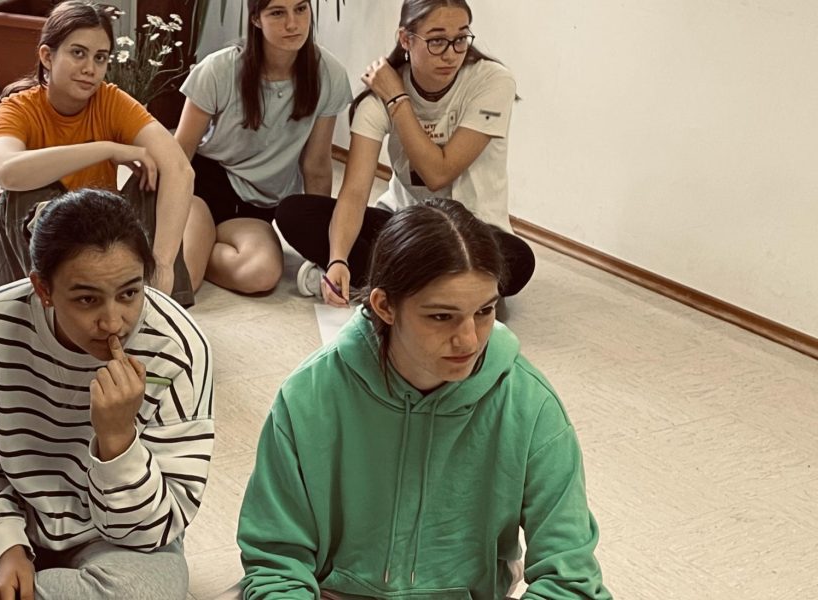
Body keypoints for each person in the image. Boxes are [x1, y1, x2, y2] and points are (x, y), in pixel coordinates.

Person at [235, 199, 610, 600]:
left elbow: (571, 579)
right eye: (441, 316)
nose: (469, 340)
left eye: (484, 311)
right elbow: (277, 563)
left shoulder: (530, 405)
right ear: (385, 306)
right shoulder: (309, 396)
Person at [0, 189, 213, 600]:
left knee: (145, 592)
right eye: (87, 299)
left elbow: (156, 525)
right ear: (43, 289)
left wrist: (117, 440)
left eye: (130, 293)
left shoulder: (176, 348)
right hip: (8, 509)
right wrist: (7, 546)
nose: (113, 322)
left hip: (114, 538)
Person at [274, 0, 535, 308]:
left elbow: (438, 174)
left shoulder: (492, 81)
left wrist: (398, 99)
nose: (451, 54)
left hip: (473, 231)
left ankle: (388, 284)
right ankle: (438, 289)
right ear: (406, 39)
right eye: (436, 41)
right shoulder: (377, 98)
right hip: (403, 227)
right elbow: (355, 191)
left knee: (518, 260)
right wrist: (338, 259)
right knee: (293, 212)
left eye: (461, 39)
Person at [0, 0, 196, 306]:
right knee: (26, 189)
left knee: (158, 172)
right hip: (23, 258)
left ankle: (158, 304)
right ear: (47, 56)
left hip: (96, 242)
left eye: (100, 57)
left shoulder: (111, 101)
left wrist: (161, 264)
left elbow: (180, 169)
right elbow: (7, 171)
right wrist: (106, 149)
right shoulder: (16, 108)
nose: (90, 69)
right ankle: (49, 309)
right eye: (78, 53)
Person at [175, 0, 352, 295]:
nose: (293, 24)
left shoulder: (329, 74)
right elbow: (180, 152)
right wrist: (169, 208)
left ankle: (200, 245)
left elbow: (317, 165)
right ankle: (191, 247)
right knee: (185, 280)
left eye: (301, 9)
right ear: (256, 19)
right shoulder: (219, 69)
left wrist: (321, 247)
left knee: (262, 275)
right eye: (277, 13)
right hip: (204, 187)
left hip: (256, 204)